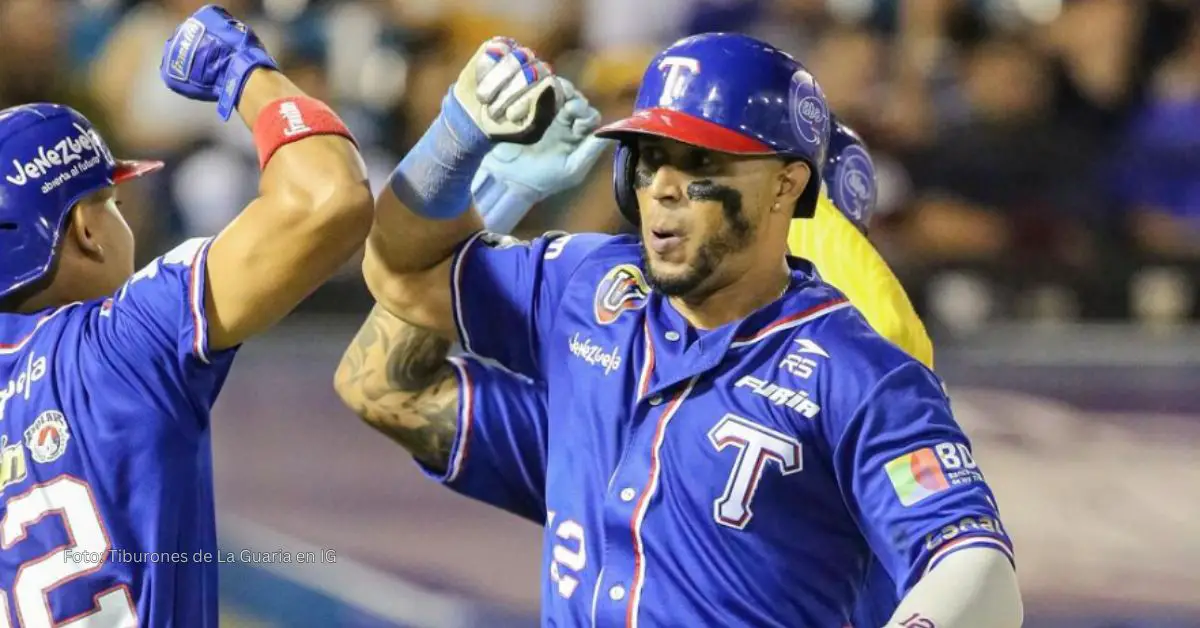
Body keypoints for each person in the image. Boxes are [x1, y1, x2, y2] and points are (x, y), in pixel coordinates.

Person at [337, 33, 1022, 627]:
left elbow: (972, 562)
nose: (663, 185)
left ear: (788, 189)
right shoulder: (593, 289)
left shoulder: (857, 366)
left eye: (699, 163)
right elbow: (397, 291)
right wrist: (458, 143)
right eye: (649, 156)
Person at [0, 5, 371, 626]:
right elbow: (326, 201)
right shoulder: (127, 339)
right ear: (86, 231)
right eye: (112, 201)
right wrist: (242, 69)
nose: (129, 218)